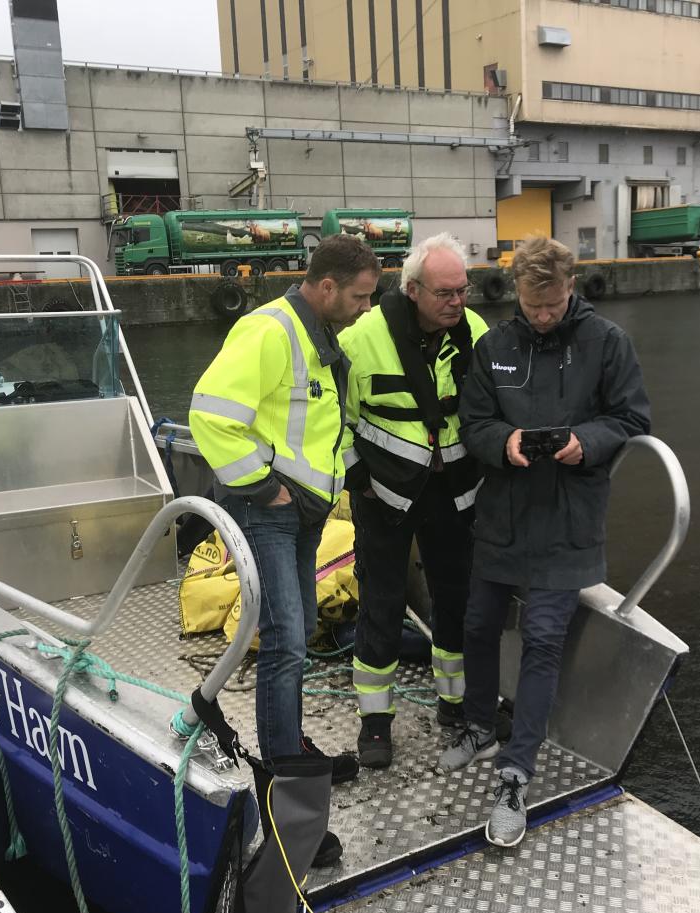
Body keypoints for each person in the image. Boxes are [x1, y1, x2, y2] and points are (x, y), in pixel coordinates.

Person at [438, 235, 651, 848]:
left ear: (569, 289)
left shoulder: (607, 343)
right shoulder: (495, 347)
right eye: (533, 308)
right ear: (519, 295)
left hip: (567, 521)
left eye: (552, 307)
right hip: (502, 513)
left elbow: (633, 420)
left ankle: (515, 771)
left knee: (544, 639)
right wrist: (502, 443)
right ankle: (480, 725)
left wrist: (586, 441)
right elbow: (473, 423)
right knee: (477, 624)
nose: (542, 317)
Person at [188, 234, 381, 795]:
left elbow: (320, 427)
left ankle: (288, 743)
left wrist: (350, 480)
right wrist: (264, 487)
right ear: (327, 287)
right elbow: (210, 416)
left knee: (294, 629)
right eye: (361, 298)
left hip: (304, 512)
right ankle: (281, 769)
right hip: (269, 512)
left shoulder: (320, 334)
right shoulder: (270, 331)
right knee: (286, 638)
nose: (366, 309)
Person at [339, 233, 488, 768]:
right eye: (445, 293)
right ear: (414, 289)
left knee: (456, 598)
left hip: (454, 492)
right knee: (380, 601)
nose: (456, 302)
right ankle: (375, 724)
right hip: (383, 494)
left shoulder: (475, 333)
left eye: (462, 291)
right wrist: (358, 479)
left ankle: (454, 705)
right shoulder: (362, 340)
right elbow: (337, 420)